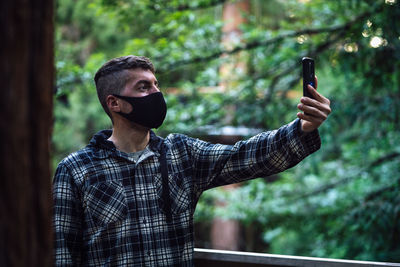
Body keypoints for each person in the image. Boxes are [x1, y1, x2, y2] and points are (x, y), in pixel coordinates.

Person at [53, 55, 331, 266]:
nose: (156, 93)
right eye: (143, 87)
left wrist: (302, 129)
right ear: (115, 103)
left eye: (155, 84)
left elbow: (246, 156)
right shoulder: (76, 170)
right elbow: (62, 253)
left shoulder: (181, 154)